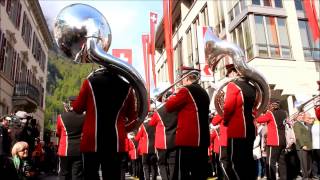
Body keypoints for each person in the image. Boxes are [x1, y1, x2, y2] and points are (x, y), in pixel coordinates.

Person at [72, 68, 137, 179]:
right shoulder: (127, 87)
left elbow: (77, 108)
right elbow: (133, 119)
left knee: (90, 175)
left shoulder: (89, 82)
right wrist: (123, 129)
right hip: (115, 141)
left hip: (92, 139)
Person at [164, 66, 210, 180]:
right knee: (199, 173)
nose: (181, 81)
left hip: (188, 139)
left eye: (182, 78)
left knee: (181, 172)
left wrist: (172, 95)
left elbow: (169, 107)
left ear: (186, 78)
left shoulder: (185, 90)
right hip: (203, 138)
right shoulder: (204, 92)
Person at [221, 64, 257, 180]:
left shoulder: (233, 85)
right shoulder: (253, 87)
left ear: (235, 72)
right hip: (250, 129)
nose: (229, 76)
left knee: (234, 162)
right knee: (248, 160)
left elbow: (228, 107)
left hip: (237, 129)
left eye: (229, 73)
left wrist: (226, 121)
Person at [256, 98, 287, 180]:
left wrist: (255, 112)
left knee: (270, 162)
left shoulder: (270, 113)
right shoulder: (284, 113)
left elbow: (259, 120)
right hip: (283, 141)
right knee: (282, 162)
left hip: (274, 141)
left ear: (271, 105)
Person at [148, 91, 178, 180]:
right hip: (174, 140)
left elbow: (151, 123)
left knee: (162, 164)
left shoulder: (159, 111)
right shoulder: (178, 110)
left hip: (162, 142)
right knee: (172, 163)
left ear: (165, 99)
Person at [56, 96, 85, 180]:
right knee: (76, 175)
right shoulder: (84, 117)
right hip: (78, 150)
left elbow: (58, 133)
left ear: (69, 103)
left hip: (64, 150)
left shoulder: (61, 117)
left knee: (64, 174)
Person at [293, 112, 313, 179]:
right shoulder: (296, 124)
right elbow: (298, 136)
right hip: (302, 147)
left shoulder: (305, 124)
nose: (302, 116)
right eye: (300, 115)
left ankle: (309, 175)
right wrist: (302, 145)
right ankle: (305, 177)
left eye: (303, 115)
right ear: (297, 117)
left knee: (309, 162)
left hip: (309, 146)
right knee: (304, 163)